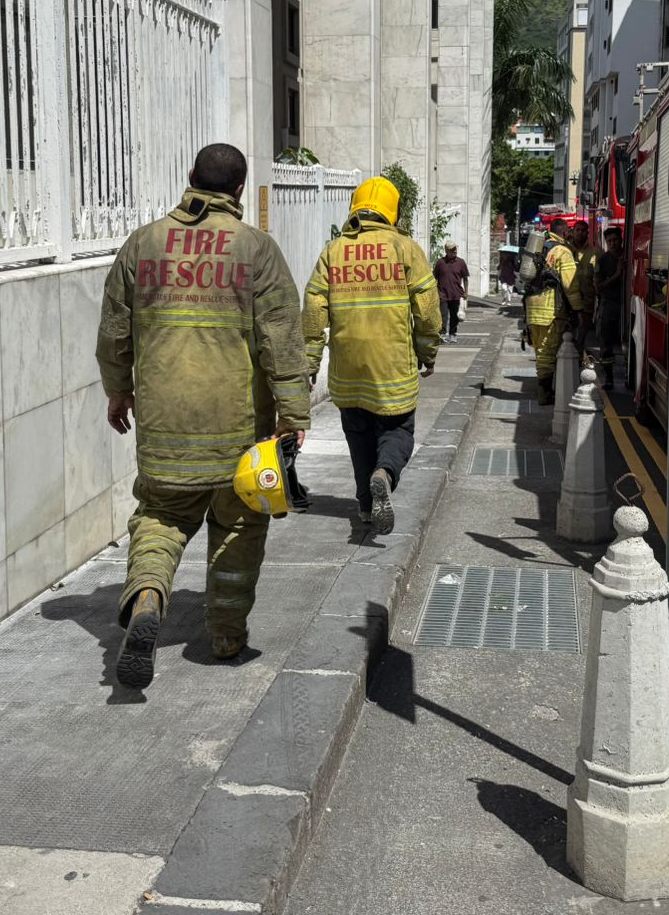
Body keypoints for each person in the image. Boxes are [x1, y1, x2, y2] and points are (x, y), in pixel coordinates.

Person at [97, 143, 311, 691]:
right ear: (239, 189)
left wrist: (118, 391)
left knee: (161, 519)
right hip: (239, 435)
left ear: (190, 175)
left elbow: (115, 330)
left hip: (164, 431)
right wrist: (293, 414)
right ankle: (225, 636)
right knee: (240, 526)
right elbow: (282, 339)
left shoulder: (143, 243)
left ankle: (148, 595)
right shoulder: (256, 248)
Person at [304, 176, 441, 535]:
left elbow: (314, 308)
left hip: (347, 370)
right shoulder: (405, 248)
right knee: (397, 431)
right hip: (393, 368)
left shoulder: (333, 251)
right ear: (392, 210)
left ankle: (365, 506)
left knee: (358, 436)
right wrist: (428, 352)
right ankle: (386, 473)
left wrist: (310, 360)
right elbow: (427, 310)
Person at [524, 217, 582, 406]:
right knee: (548, 352)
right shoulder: (562, 251)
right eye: (569, 231)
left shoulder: (540, 247)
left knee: (540, 351)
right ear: (564, 232)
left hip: (532, 307)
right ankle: (545, 394)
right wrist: (578, 309)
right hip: (550, 308)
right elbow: (570, 284)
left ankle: (545, 389)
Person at [594, 226, 625, 390]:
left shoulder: (628, 256)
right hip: (609, 305)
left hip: (626, 304)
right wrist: (617, 275)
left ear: (621, 240)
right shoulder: (602, 261)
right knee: (606, 344)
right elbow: (598, 287)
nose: (613, 243)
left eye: (615, 240)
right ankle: (608, 378)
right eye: (609, 241)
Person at [434, 241, 470, 343]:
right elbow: (434, 278)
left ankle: (453, 334)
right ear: (446, 251)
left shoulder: (461, 262)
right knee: (443, 316)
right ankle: (442, 334)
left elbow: (465, 278)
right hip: (443, 294)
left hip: (456, 294)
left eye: (455, 249)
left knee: (454, 316)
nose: (454, 251)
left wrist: (466, 292)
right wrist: (435, 291)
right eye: (452, 249)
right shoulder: (440, 262)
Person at [570, 220, 597, 357]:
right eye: (578, 230)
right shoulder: (565, 250)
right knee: (568, 331)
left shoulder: (595, 252)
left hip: (586, 300)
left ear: (587, 233)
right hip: (568, 299)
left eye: (583, 230)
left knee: (582, 331)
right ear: (573, 232)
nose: (580, 233)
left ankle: (579, 355)